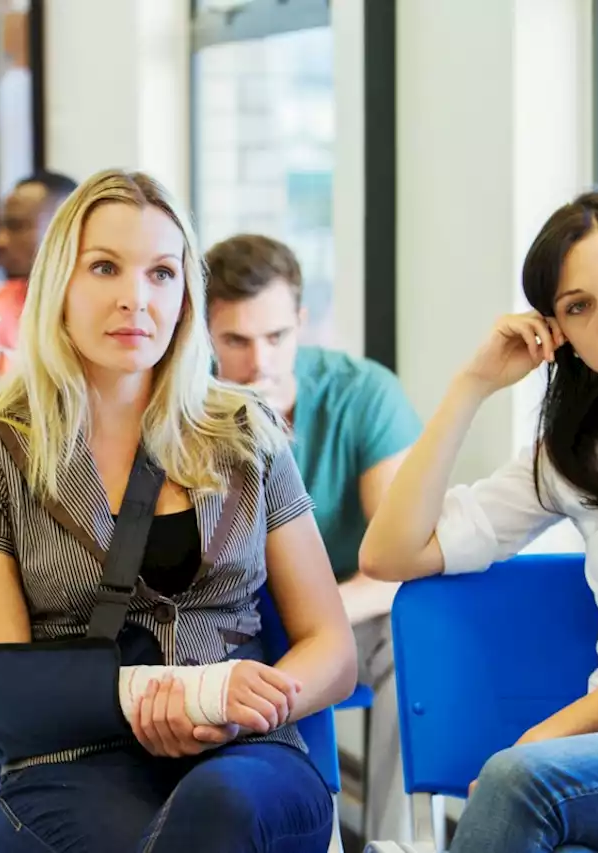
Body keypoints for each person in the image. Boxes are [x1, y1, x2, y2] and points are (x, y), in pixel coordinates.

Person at [0, 169, 358, 853]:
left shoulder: (246, 431)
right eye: (105, 267)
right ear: (59, 286)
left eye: (162, 273)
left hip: (247, 758)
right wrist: (168, 694)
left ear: (187, 293)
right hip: (69, 763)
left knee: (218, 806)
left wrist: (232, 706)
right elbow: (7, 697)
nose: (136, 298)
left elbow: (333, 651)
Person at [359, 191, 598, 853]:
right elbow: (392, 552)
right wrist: (473, 385)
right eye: (580, 306)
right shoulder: (585, 453)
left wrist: (546, 739)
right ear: (559, 332)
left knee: (521, 782)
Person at [204, 234, 422, 842]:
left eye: (277, 337)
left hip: (343, 616)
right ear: (204, 335)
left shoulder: (362, 394)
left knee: (417, 642)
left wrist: (321, 623)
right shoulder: (185, 408)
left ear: (301, 321)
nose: (261, 363)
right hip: (225, 626)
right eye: (236, 342)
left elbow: (400, 562)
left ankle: (394, 840)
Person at [0, 171, 77, 360]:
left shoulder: (106, 311)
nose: (0, 241)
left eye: (16, 226)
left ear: (64, 228)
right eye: (1, 226)